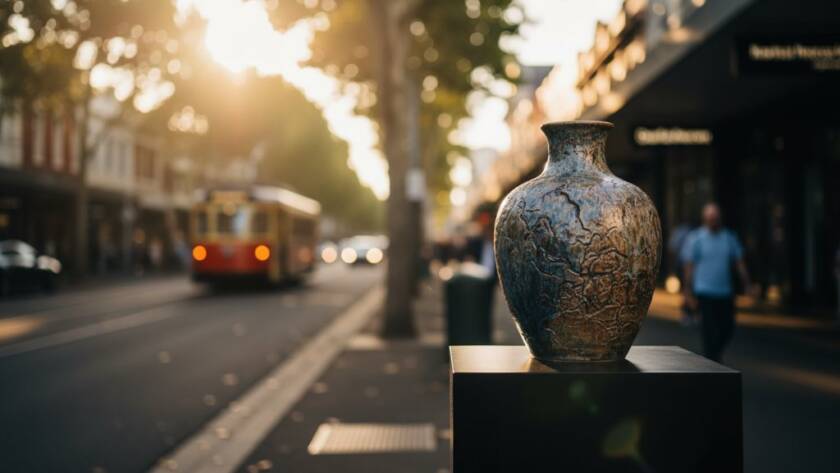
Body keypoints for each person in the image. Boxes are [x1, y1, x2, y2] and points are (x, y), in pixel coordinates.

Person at [683, 203, 754, 362]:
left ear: (720, 219)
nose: (713, 221)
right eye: (710, 218)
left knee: (727, 328)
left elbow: (739, 263)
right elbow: (689, 266)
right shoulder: (697, 239)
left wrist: (747, 284)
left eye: (715, 218)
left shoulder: (729, 238)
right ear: (705, 219)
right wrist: (688, 291)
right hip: (704, 292)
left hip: (724, 292)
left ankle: (715, 357)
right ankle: (712, 361)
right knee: (709, 332)